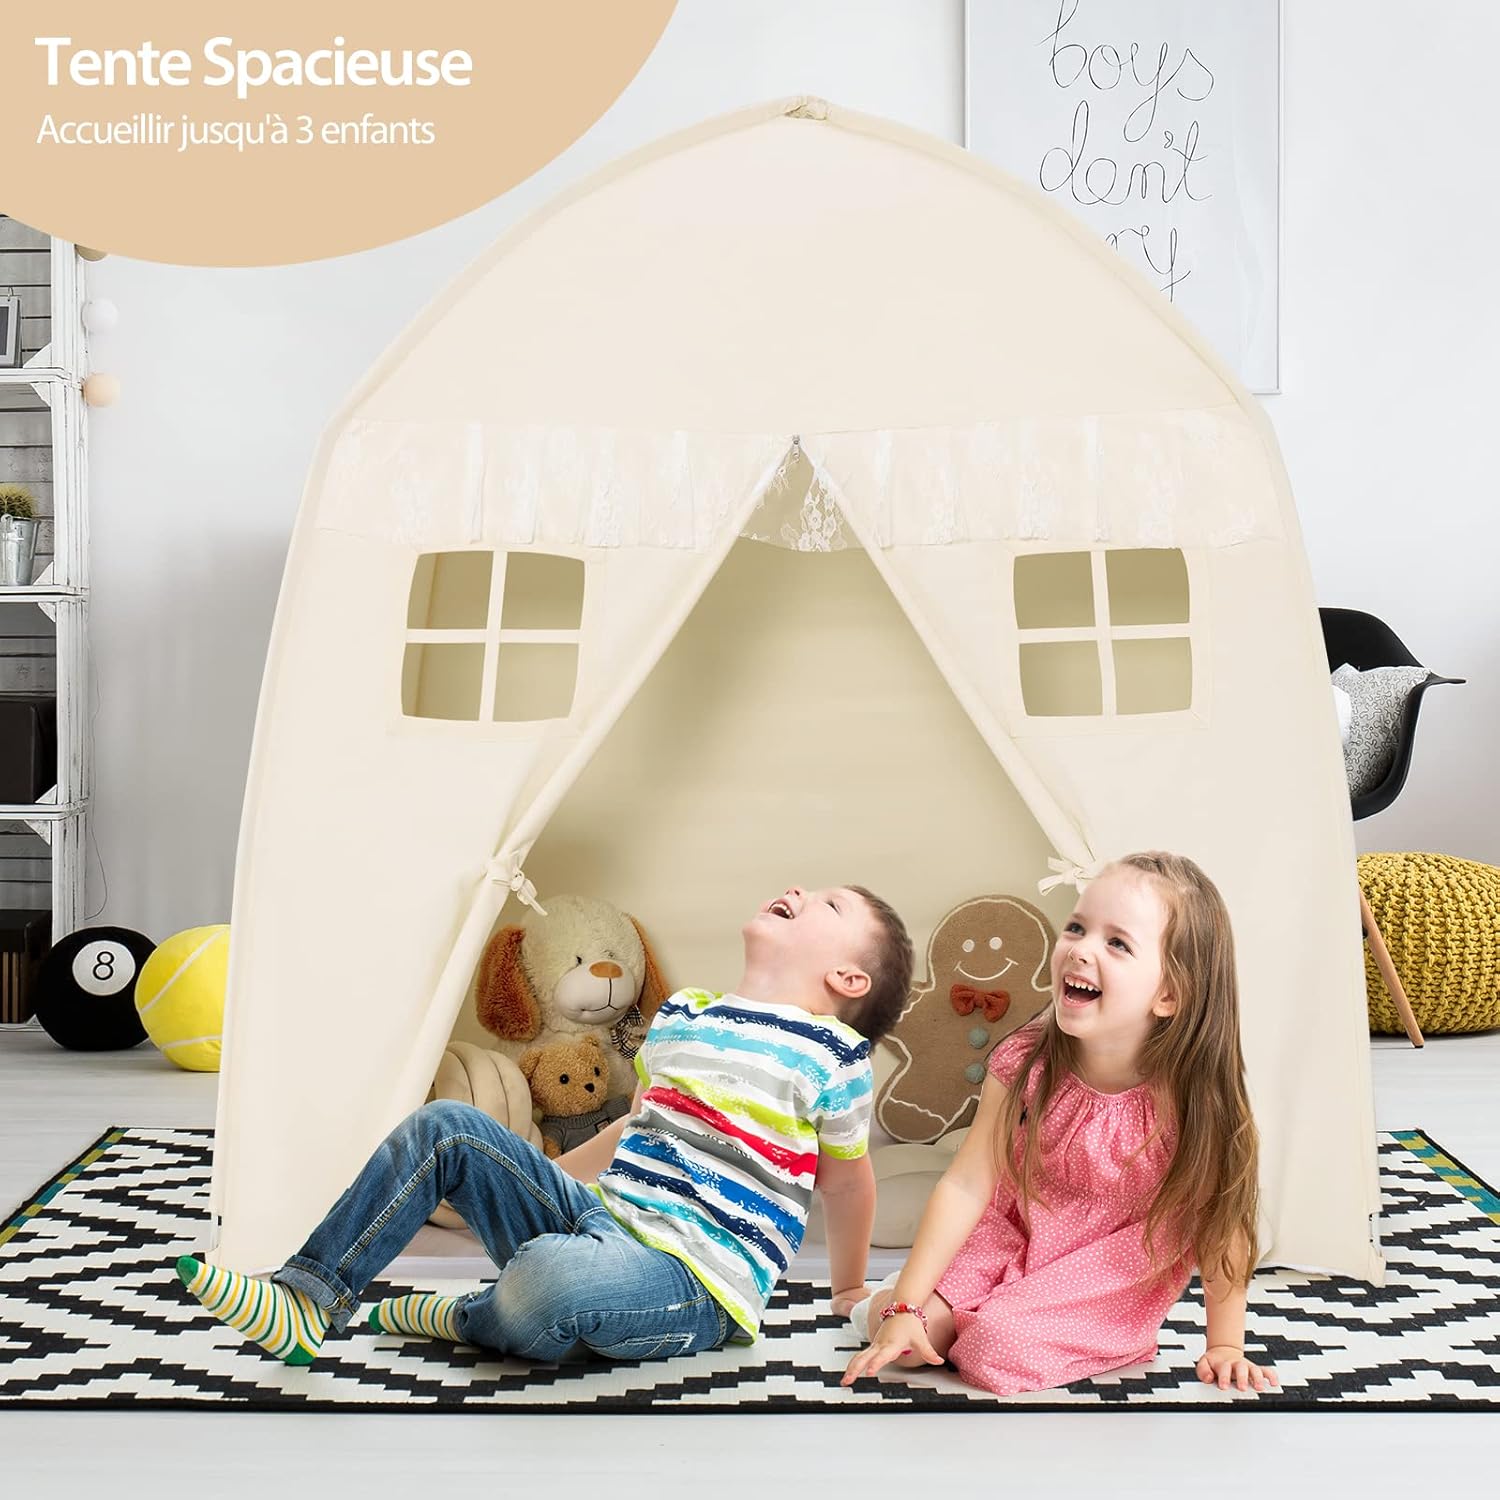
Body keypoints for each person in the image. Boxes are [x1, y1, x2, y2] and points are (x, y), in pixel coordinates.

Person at [177, 883, 912, 1365]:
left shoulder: (832, 1054)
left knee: (554, 1281)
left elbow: (847, 1188)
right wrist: (527, 1185)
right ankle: (309, 1299)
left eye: (829, 906)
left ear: (849, 981)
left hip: (692, 1282)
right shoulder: (685, 1015)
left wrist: (847, 1291)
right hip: (597, 1221)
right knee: (448, 1126)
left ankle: (472, 1317)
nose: (799, 892)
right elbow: (634, 1130)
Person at [843, 851, 1279, 1397]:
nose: (1080, 950)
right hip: (1013, 1233)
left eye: (1117, 943)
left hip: (1109, 1271)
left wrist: (1225, 1345)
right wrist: (907, 1303)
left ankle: (993, 1319)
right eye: (1077, 927)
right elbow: (966, 1182)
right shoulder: (1027, 1057)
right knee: (904, 1344)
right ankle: (903, 1301)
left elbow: (1224, 1220)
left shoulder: (1198, 1095)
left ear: (1169, 994)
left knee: (993, 1353)